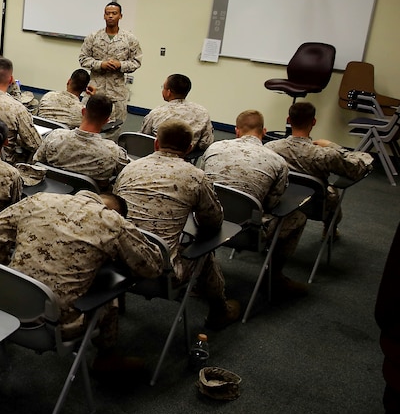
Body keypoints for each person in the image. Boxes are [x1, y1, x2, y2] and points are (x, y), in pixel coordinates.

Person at [0, 190, 165, 370]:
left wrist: (2, 269)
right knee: (110, 300)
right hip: (53, 325)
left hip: (1, 302)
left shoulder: (38, 200)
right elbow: (153, 267)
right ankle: (105, 359)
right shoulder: (113, 221)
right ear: (116, 212)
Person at [113, 119, 241, 328]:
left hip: (119, 261)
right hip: (163, 276)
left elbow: (117, 210)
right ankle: (220, 311)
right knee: (204, 254)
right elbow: (213, 221)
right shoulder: (196, 176)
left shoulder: (130, 168)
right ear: (189, 148)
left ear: (156, 143)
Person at [200, 110, 308, 295]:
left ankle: (202, 273)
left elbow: (203, 185)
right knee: (298, 217)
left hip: (206, 225)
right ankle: (274, 277)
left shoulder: (214, 148)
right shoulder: (277, 161)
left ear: (237, 131)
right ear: (264, 131)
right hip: (248, 233)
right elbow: (272, 203)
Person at [266, 101, 374, 227]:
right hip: (315, 205)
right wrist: (333, 146)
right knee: (332, 191)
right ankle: (330, 229)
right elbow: (358, 168)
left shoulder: (270, 148)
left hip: (279, 200)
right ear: (313, 122)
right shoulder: (325, 154)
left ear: (288, 120)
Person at [34, 93, 129, 191]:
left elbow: (37, 162)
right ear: (106, 121)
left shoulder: (55, 137)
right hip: (90, 201)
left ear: (83, 112)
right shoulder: (113, 153)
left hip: (52, 193)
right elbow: (127, 176)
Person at [78, 1, 141, 124]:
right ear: (104, 16)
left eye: (114, 13)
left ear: (120, 16)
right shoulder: (93, 36)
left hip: (117, 94)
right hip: (94, 90)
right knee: (87, 123)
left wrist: (120, 65)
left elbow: (136, 61)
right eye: (108, 13)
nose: (111, 16)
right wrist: (100, 64)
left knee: (114, 127)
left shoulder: (129, 39)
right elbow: (83, 58)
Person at [140, 73, 214, 156]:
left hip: (157, 157)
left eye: (163, 87)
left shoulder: (157, 113)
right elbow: (205, 143)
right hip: (185, 157)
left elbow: (143, 138)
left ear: (168, 92)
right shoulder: (202, 112)